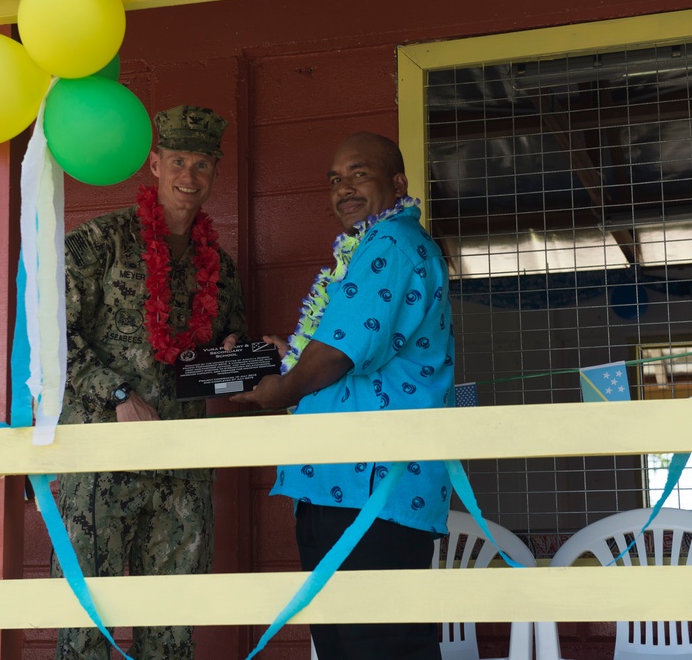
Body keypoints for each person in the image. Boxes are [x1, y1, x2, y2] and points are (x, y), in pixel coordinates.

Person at [232, 132, 455, 660]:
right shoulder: (372, 247)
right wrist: (289, 359)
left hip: (373, 488)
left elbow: (336, 354)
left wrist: (280, 389)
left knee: (381, 649)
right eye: (334, 179)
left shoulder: (392, 245)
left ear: (397, 183)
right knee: (345, 648)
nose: (343, 188)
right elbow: (339, 351)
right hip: (339, 485)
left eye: (359, 174)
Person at [54, 105, 246, 660]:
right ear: (155, 164)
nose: (190, 176)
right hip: (101, 461)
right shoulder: (100, 242)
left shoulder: (222, 267)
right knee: (89, 615)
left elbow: (224, 353)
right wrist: (116, 392)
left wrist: (239, 358)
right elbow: (48, 337)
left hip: (180, 463)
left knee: (173, 617)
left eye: (203, 164)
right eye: (179, 160)